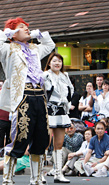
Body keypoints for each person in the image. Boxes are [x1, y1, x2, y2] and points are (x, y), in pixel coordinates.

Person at [0, 17, 55, 185]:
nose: (27, 29)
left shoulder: (34, 48)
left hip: (39, 95)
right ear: (12, 32)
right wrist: (8, 32)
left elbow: (49, 46)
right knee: (20, 135)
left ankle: (36, 178)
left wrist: (39, 35)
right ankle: (8, 178)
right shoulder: (8, 48)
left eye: (28, 27)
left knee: (41, 136)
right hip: (22, 95)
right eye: (22, 27)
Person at [44, 52, 74, 183]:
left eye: (59, 61)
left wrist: (68, 105)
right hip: (48, 109)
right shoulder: (45, 75)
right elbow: (45, 92)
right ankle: (40, 173)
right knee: (45, 142)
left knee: (59, 144)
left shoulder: (65, 76)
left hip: (62, 110)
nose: (57, 63)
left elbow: (70, 92)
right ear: (49, 63)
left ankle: (58, 173)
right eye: (54, 61)